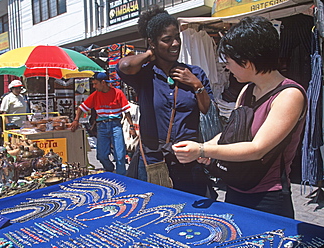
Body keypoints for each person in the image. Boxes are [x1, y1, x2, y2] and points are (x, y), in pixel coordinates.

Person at [172, 16, 307, 218]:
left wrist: (202, 149)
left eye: (229, 61)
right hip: (236, 187)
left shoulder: (289, 95)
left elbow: (257, 148)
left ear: (248, 62)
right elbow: (231, 133)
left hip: (268, 197)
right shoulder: (247, 91)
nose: (227, 67)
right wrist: (205, 149)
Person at [116, 6, 216, 198]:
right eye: (166, 40)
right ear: (152, 43)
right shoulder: (144, 75)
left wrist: (195, 84)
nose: (175, 44)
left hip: (188, 157)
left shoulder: (195, 73)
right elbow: (125, 66)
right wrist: (148, 55)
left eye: (177, 38)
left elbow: (207, 109)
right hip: (154, 159)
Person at [70, 72, 137, 175]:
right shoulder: (95, 95)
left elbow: (126, 111)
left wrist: (131, 127)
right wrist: (76, 120)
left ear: (103, 83)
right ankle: (109, 169)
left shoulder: (118, 93)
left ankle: (122, 177)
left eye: (95, 83)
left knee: (120, 155)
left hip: (116, 125)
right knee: (101, 155)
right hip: (101, 126)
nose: (94, 86)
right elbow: (81, 108)